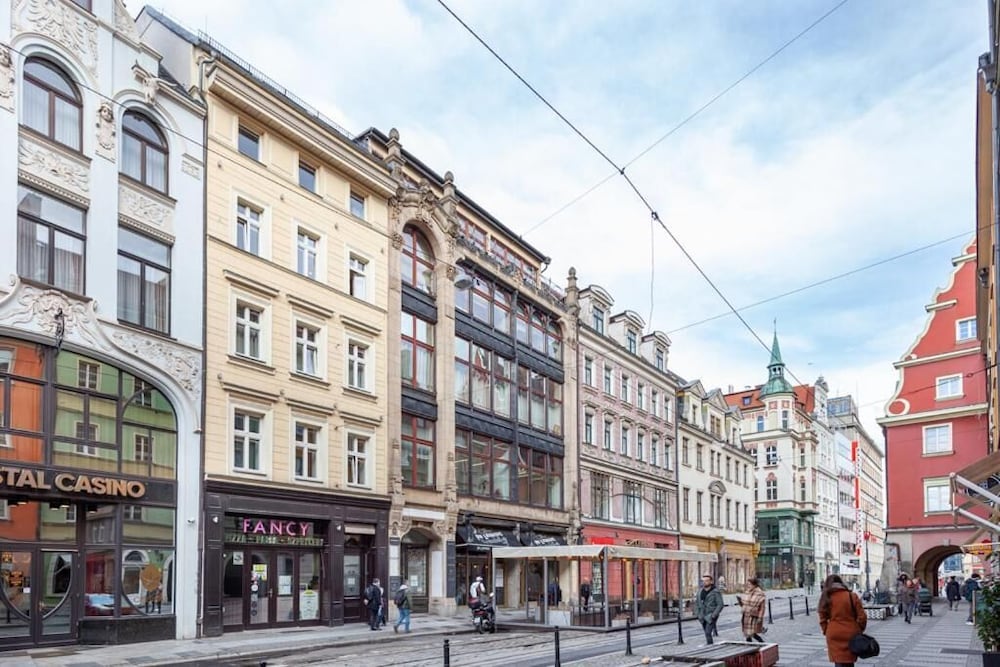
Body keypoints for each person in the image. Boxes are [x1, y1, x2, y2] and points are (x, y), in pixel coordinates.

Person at [818, 574, 867, 667]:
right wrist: (859, 629)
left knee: (838, 661)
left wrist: (826, 630)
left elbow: (822, 618)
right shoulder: (852, 596)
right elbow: (862, 617)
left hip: (834, 633)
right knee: (849, 661)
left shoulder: (826, 597)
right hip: (850, 633)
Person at [695, 574, 723, 645]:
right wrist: (698, 614)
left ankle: (710, 646)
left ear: (711, 582)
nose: (704, 582)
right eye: (703, 581)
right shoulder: (700, 592)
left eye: (706, 581)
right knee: (706, 632)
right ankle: (710, 644)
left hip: (711, 615)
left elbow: (720, 604)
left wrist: (714, 615)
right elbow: (697, 603)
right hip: (702, 616)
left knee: (708, 632)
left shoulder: (715, 592)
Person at [739, 577, 767, 643]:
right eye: (747, 584)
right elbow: (744, 604)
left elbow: (762, 608)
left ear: (754, 585)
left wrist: (760, 617)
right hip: (746, 615)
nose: (748, 586)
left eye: (749, 584)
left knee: (751, 632)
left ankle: (761, 642)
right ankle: (750, 644)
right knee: (747, 632)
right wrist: (740, 601)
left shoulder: (760, 594)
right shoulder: (747, 592)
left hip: (753, 616)